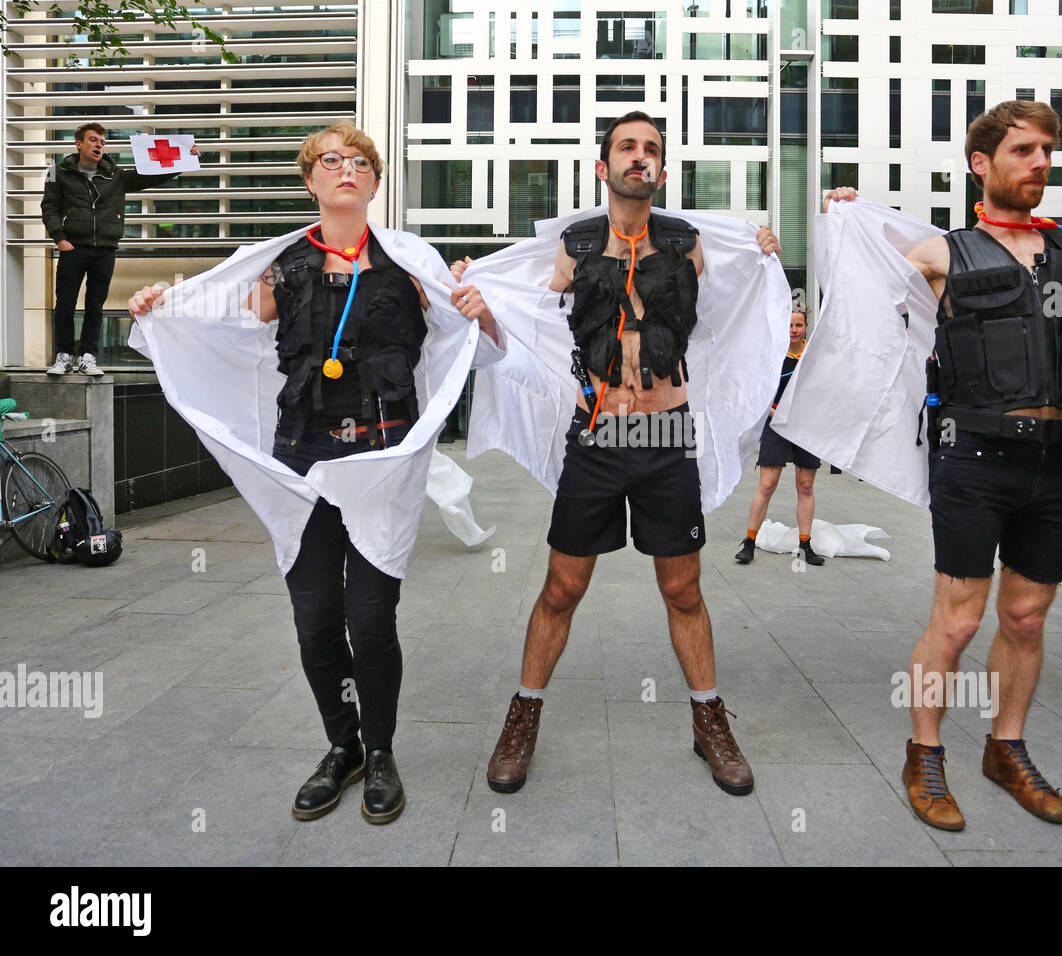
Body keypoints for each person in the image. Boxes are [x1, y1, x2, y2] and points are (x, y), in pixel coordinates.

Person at [128, 123, 502, 825]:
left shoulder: (413, 262)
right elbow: (218, 321)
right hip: (301, 462)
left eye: (359, 161)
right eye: (331, 160)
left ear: (375, 180)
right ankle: (344, 746)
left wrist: (484, 316)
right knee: (314, 623)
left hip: (382, 459)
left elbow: (480, 351)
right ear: (310, 179)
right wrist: (159, 309)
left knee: (371, 618)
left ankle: (382, 751)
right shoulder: (281, 266)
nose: (346, 169)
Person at [455, 111, 781, 797]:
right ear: (603, 168)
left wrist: (764, 253)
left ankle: (708, 721)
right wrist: (480, 294)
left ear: (663, 169)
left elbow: (728, 312)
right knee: (562, 587)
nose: (641, 157)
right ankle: (523, 715)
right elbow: (528, 318)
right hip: (597, 436)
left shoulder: (690, 245)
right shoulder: (574, 248)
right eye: (628, 148)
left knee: (683, 588)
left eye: (652, 149)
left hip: (665, 435)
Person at [828, 101, 1062, 831]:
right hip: (976, 460)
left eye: (1047, 150)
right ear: (981, 165)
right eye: (1023, 150)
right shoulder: (940, 255)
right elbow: (859, 283)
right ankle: (923, 752)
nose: (1040, 163)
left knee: (1025, 618)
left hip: (1058, 463)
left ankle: (1005, 748)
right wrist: (847, 215)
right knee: (957, 624)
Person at [42, 122, 201, 376]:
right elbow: (49, 207)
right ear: (79, 143)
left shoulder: (115, 175)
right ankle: (63, 357)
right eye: (93, 140)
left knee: (95, 305)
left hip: (104, 249)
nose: (99, 145)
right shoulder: (57, 172)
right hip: (73, 248)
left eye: (102, 142)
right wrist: (60, 238)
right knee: (65, 305)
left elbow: (149, 176)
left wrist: (183, 160)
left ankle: (88, 356)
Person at [735, 309, 824, 566]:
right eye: (790, 325)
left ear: (806, 327)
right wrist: (776, 412)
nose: (794, 329)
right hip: (776, 425)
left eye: (798, 325)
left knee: (805, 486)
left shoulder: (813, 355)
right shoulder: (773, 355)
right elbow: (760, 392)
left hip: (806, 428)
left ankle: (805, 544)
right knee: (767, 485)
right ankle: (749, 542)